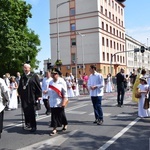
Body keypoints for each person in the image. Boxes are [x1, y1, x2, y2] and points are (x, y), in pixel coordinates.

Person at [18, 63, 42, 133]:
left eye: (26, 68)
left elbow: (38, 86)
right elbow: (20, 86)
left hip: (32, 96)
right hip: (24, 96)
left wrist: (39, 95)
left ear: (29, 68)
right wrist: (19, 93)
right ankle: (27, 124)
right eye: (24, 68)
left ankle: (33, 126)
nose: (25, 69)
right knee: (25, 110)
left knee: (32, 112)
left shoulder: (34, 76)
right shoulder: (22, 77)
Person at [48, 68, 68, 136]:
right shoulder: (50, 82)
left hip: (59, 101)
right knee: (53, 115)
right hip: (52, 101)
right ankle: (54, 129)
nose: (53, 75)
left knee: (61, 114)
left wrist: (64, 101)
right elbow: (49, 91)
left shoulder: (62, 81)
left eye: (55, 74)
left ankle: (65, 124)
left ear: (57, 74)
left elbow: (65, 92)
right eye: (52, 74)